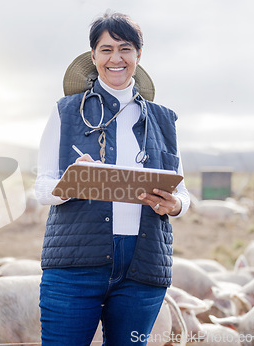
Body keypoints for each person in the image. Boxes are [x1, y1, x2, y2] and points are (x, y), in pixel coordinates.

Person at [35, 11, 190, 346]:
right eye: (106, 50)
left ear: (138, 55)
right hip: (75, 264)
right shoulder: (65, 111)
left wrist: (174, 205)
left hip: (144, 266)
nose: (115, 58)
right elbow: (42, 186)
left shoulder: (164, 119)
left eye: (125, 49)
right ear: (93, 56)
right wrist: (73, 182)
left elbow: (184, 192)